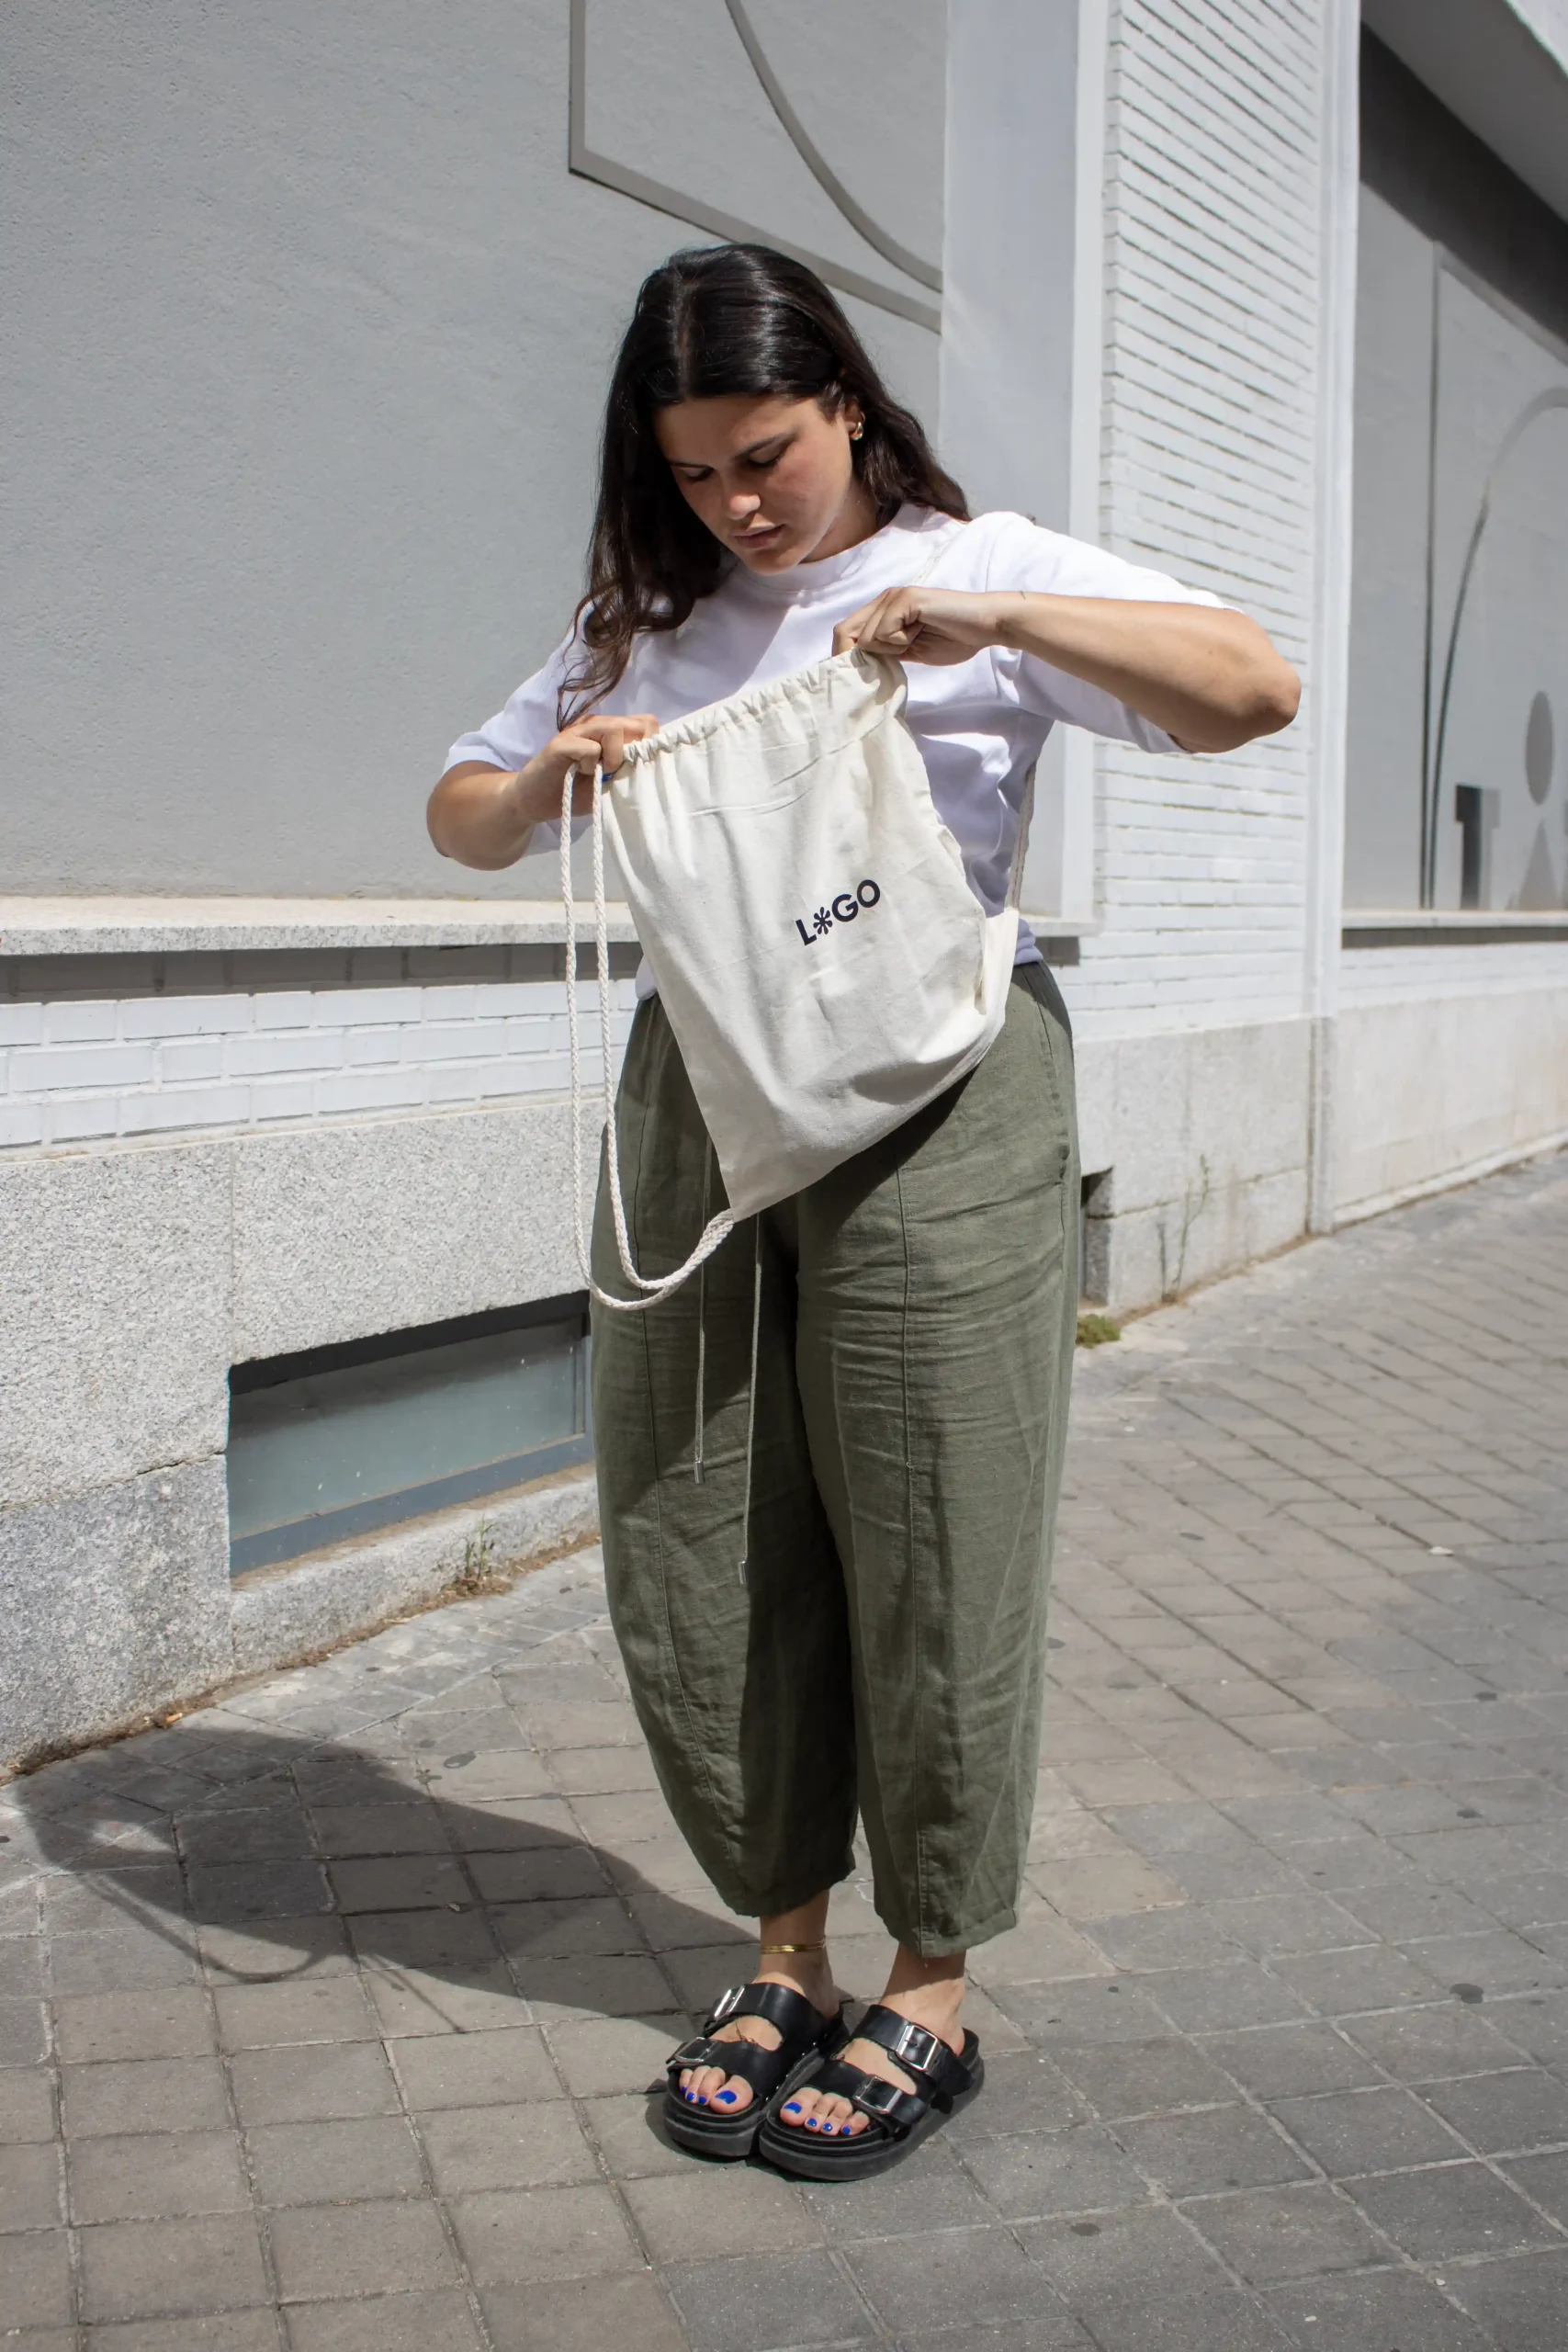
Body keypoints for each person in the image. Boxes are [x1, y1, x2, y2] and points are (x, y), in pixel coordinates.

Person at [429, 243, 1299, 2177]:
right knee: (703, 1519)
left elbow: (1254, 686)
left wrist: (983, 616)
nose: (741, 501)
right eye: (697, 473)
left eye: (767, 452)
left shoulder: (988, 569)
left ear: (844, 401)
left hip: (943, 1092)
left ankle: (928, 1977)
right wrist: (550, 776)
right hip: (705, 1095)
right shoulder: (649, 625)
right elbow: (463, 807)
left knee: (934, 1522)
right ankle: (782, 1949)